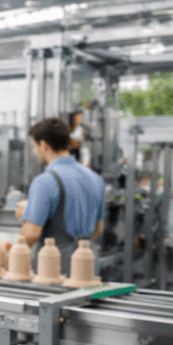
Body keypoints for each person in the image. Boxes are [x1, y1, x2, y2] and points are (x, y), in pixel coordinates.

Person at [15, 117, 105, 274]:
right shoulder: (95, 179)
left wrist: (8, 258)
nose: (35, 152)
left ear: (44, 145)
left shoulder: (45, 181)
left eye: (34, 147)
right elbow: (98, 229)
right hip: (89, 261)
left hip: (55, 266)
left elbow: (30, 234)